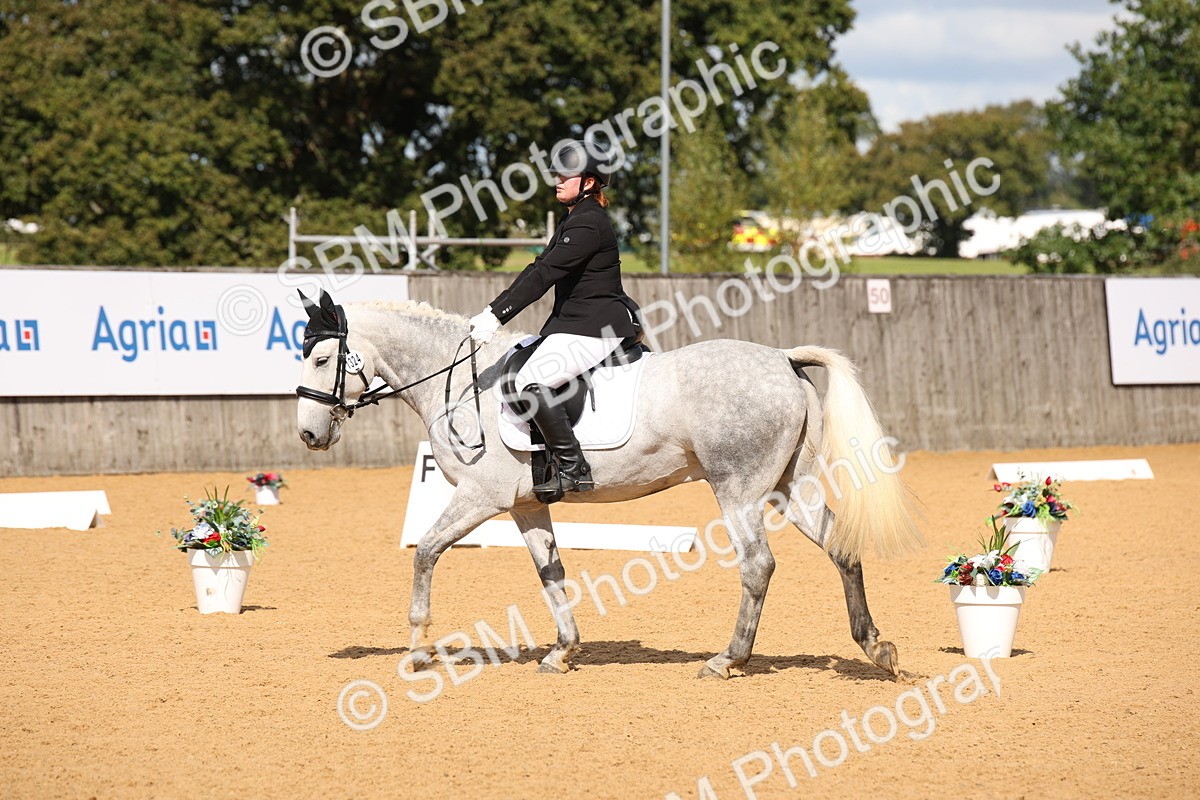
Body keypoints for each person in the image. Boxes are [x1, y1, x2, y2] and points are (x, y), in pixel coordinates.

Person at [468, 139, 641, 496]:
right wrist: (494, 309)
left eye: (566, 174)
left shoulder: (588, 223)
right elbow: (538, 268)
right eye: (557, 173)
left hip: (595, 327)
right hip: (577, 324)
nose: (557, 180)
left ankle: (573, 468)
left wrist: (496, 315)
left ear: (589, 182)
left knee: (534, 380)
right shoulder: (575, 218)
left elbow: (544, 274)